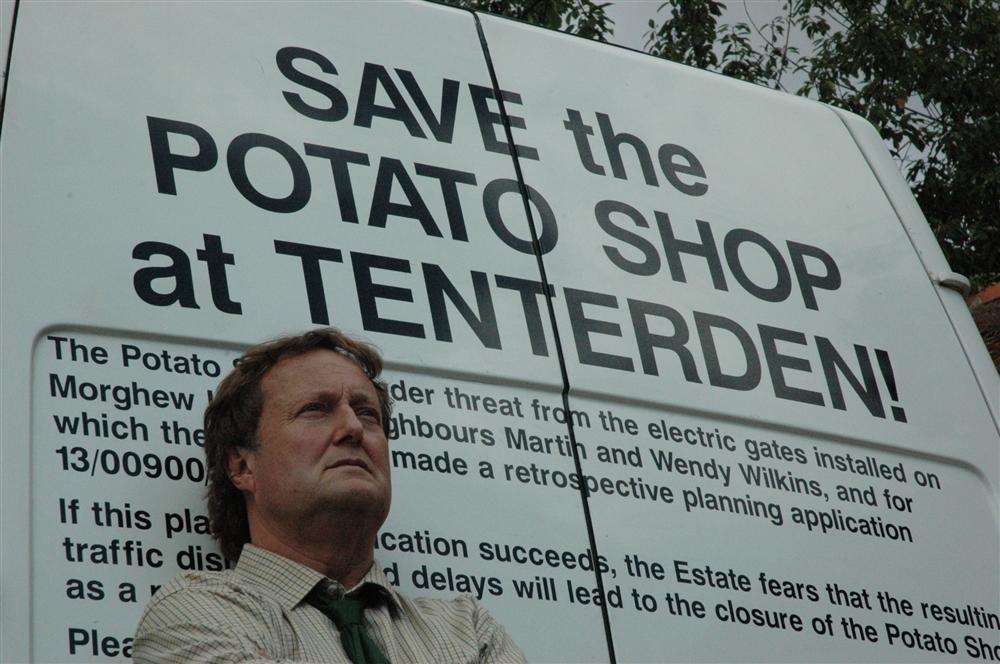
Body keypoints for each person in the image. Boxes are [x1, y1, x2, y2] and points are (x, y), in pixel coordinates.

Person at [134, 328, 525, 663]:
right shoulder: (196, 613)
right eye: (316, 409)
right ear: (242, 467)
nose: (352, 427)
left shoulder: (468, 628)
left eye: (367, 413)